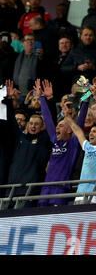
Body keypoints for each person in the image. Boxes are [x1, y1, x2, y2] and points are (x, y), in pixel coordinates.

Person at [36, 79, 89, 207]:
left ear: (70, 129)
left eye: (60, 126)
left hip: (61, 189)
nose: (57, 128)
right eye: (58, 126)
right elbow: (48, 119)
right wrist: (42, 98)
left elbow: (80, 119)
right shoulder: (55, 140)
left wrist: (87, 95)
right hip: (45, 188)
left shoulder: (74, 143)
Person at [3, 80, 52, 208]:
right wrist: (8, 99)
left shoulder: (44, 141)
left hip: (30, 192)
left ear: (42, 127)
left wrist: (48, 100)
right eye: (31, 123)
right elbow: (11, 120)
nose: (33, 126)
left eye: (37, 124)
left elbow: (51, 122)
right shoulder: (20, 138)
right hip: (10, 189)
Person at [62, 102, 96, 205]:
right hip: (80, 193)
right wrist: (67, 117)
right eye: (91, 131)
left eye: (95, 131)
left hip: (95, 194)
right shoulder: (88, 147)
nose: (91, 133)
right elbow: (78, 131)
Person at [12, 33, 46, 100]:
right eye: (27, 40)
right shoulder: (17, 57)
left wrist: (42, 57)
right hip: (20, 94)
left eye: (32, 40)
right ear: (23, 43)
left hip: (34, 94)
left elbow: (45, 72)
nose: (30, 42)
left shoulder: (40, 57)